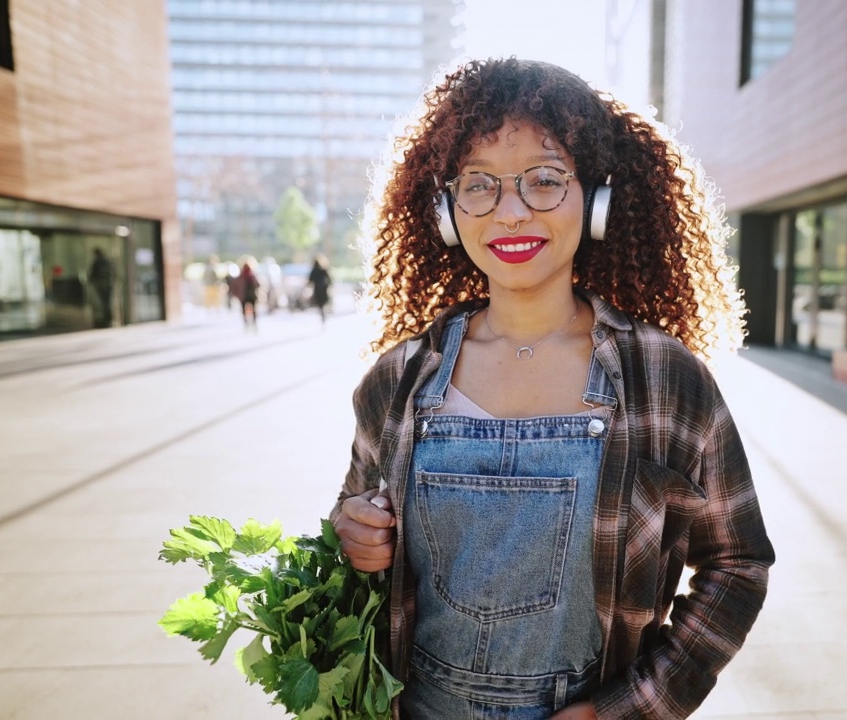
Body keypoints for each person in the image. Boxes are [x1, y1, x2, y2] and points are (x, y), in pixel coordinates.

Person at [330, 58, 774, 719]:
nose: (510, 212)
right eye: (478, 185)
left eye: (544, 180)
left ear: (595, 200)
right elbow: (353, 537)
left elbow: (738, 563)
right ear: (449, 210)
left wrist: (631, 708)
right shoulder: (395, 382)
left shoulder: (667, 380)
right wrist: (353, 538)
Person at [88, 247, 115, 328]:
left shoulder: (98, 262)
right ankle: (108, 319)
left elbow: (92, 274)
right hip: (107, 285)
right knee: (105, 303)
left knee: (103, 304)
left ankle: (106, 320)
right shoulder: (107, 261)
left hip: (102, 285)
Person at [307, 254, 332, 325]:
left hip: (318, 290)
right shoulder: (323, 269)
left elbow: (310, 280)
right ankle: (324, 314)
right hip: (324, 289)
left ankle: (323, 314)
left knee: (320, 304)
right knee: (323, 303)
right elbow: (329, 279)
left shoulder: (314, 270)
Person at [236, 261, 259, 331]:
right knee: (254, 309)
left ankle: (246, 323)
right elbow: (258, 284)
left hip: (243, 296)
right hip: (252, 295)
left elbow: (235, 286)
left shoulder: (241, 276)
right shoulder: (252, 275)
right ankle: (254, 322)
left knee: (243, 310)